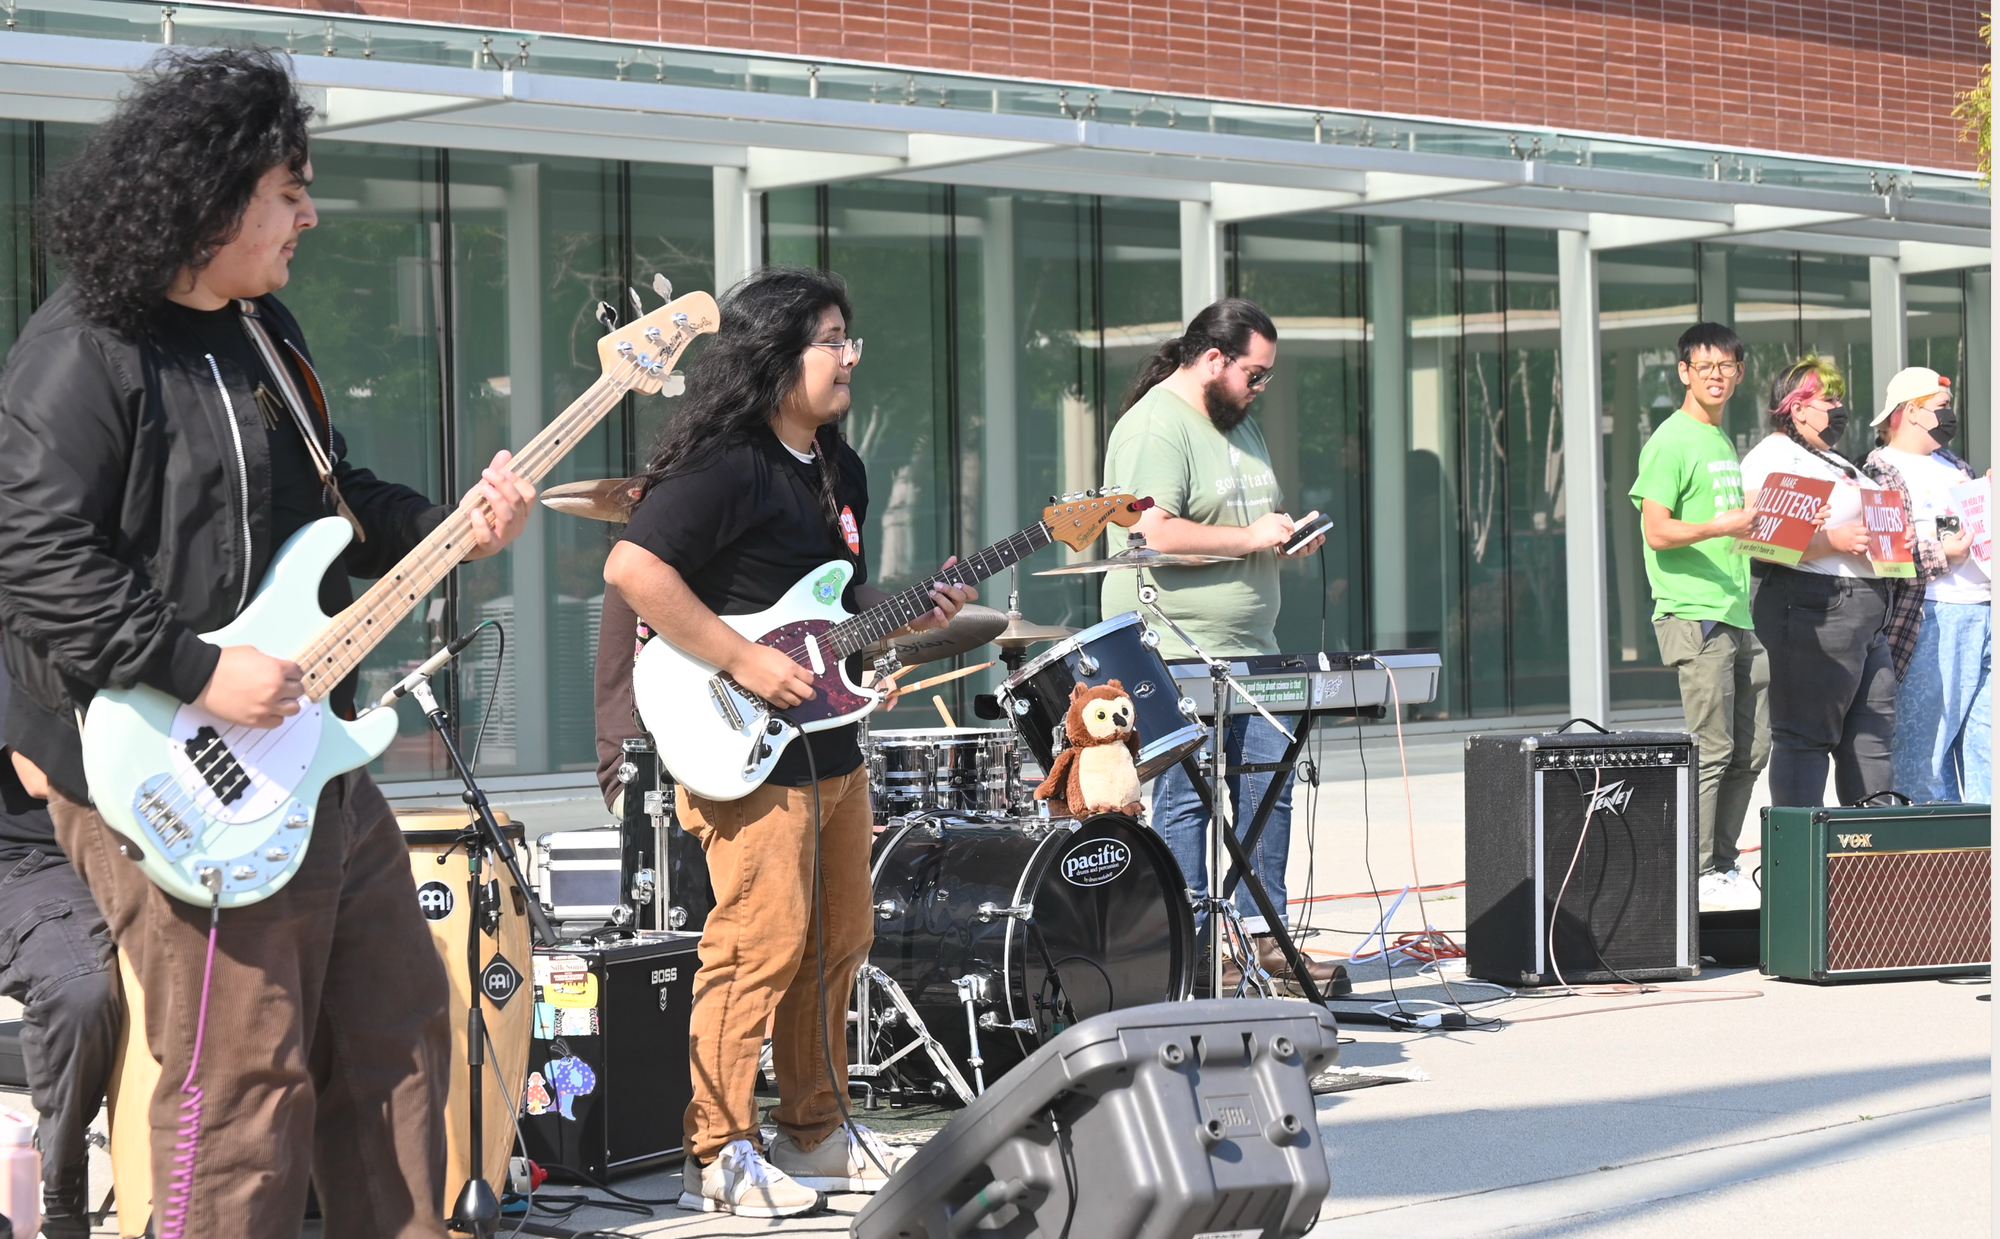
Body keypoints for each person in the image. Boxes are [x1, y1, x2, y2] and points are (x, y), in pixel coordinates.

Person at [0, 49, 534, 1236]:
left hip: (308, 748)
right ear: (211, 197)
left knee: (398, 1030)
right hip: (164, 766)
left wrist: (447, 528)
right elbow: (34, 561)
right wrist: (198, 672)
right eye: (289, 191)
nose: (310, 214)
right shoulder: (80, 351)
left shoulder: (263, 331)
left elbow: (329, 500)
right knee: (241, 1080)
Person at [604, 267, 975, 1218]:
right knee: (757, 944)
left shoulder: (839, 467)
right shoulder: (727, 463)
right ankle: (718, 1148)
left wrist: (912, 612)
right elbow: (634, 567)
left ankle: (813, 1130)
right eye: (831, 340)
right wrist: (743, 660)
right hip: (743, 742)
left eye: (850, 339)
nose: (849, 357)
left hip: (830, 743)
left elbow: (835, 608)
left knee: (839, 938)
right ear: (775, 354)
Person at [1099, 297, 1346, 996]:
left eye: (1267, 376)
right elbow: (1150, 533)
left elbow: (1245, 520)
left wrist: (1283, 536)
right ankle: (1200, 948)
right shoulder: (1155, 426)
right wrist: (1250, 538)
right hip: (1175, 646)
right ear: (1212, 359)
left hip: (1251, 644)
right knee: (1187, 801)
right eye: (1254, 374)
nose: (1260, 387)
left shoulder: (1236, 419)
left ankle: (1265, 938)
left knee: (1270, 789)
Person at [1629, 322, 1768, 912]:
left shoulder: (1719, 439)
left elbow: (1729, 532)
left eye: (1726, 366)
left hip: (1737, 612)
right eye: (1705, 366)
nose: (1716, 376)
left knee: (1752, 750)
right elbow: (1657, 531)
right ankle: (1698, 872)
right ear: (1684, 372)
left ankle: (1722, 866)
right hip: (1694, 614)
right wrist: (1721, 525)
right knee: (1712, 748)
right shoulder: (1671, 440)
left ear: (1739, 373)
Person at [1739, 357, 1895, 807]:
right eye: (1830, 399)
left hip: (1868, 610)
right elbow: (1762, 542)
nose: (1839, 407)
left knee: (1871, 739)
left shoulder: (1831, 458)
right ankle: (1802, 847)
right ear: (1797, 408)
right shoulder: (1772, 456)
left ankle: (1872, 847)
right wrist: (1833, 541)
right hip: (1815, 607)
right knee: (1805, 737)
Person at [0, 658, 119, 1239]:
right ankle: (62, 1179)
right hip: (41, 864)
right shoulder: (25, 637)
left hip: (167, 849)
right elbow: (39, 773)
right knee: (82, 991)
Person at [1863, 367, 1990, 803]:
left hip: (1984, 609)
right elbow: (1883, 557)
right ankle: (1935, 841)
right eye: (1941, 407)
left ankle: (1983, 838)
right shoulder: (1879, 472)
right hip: (1931, 616)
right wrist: (1942, 554)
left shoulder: (1955, 465)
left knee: (1986, 748)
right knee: (1926, 752)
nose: (1949, 415)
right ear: (1912, 412)